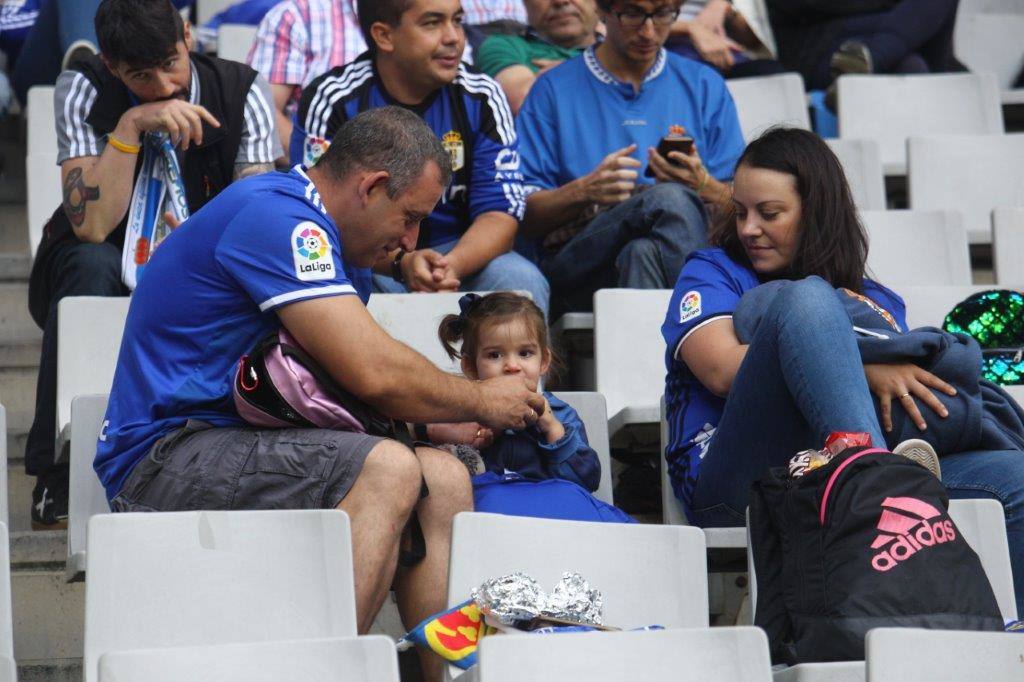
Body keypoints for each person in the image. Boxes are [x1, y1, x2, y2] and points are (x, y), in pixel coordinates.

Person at [95, 106, 546, 679]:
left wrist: (435, 420)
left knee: (446, 477)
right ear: (373, 186)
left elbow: (337, 393)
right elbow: (373, 373)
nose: (411, 241)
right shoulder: (277, 215)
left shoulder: (342, 246)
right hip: (163, 457)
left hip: (246, 441)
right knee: (389, 470)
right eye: (410, 218)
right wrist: (481, 399)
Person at [661, 127, 1024, 614]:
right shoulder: (713, 269)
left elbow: (905, 395)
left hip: (850, 469)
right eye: (740, 211)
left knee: (1016, 477)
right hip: (738, 484)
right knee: (804, 299)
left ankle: (1009, 637)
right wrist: (858, 360)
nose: (749, 228)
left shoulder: (872, 299)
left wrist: (847, 356)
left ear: (816, 213)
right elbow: (722, 370)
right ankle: (877, 487)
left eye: (769, 214)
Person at [24, 0, 279, 529]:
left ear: (188, 35)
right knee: (89, 263)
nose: (165, 86)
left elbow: (257, 218)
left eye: (171, 63)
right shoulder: (85, 86)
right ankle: (60, 467)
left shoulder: (241, 89)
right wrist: (131, 125)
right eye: (142, 76)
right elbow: (90, 223)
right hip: (103, 250)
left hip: (208, 259)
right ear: (113, 66)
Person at [294, 0, 550, 317]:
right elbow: (316, 210)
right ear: (384, 35)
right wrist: (402, 263)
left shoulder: (483, 95)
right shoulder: (334, 98)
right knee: (327, 271)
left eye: (457, 21)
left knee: (519, 278)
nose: (454, 37)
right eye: (432, 23)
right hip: (366, 258)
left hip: (459, 254)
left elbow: (500, 214)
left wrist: (450, 265)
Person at [515, 0, 744, 315]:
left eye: (663, 14)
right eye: (633, 14)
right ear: (603, 12)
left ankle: (675, 356)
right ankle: (710, 324)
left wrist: (702, 183)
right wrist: (583, 192)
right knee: (670, 198)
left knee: (641, 252)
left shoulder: (704, 84)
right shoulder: (553, 89)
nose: (649, 30)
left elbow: (744, 208)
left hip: (666, 254)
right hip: (580, 264)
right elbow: (522, 216)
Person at [426, 291, 633, 523]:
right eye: (494, 355)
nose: (512, 366)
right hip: (491, 519)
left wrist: (552, 428)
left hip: (555, 518)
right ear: (471, 367)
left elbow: (587, 482)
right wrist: (456, 434)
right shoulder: (461, 412)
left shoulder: (560, 414)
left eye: (525, 353)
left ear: (543, 361)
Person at [10, 0, 193, 105]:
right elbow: (6, 24)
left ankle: (92, 64)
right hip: (45, 67)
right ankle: (87, 64)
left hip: (133, 60)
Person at [246, 0, 365, 155]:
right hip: (314, 165)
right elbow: (261, 108)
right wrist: (324, 169)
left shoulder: (405, 14)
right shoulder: (295, 16)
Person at [766, 0, 963, 91]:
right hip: (822, 51)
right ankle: (875, 57)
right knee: (911, 66)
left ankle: (874, 57)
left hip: (899, 37)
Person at [475, 0, 600, 114]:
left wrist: (564, 74)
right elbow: (525, 103)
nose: (560, 2)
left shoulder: (616, 50)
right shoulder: (504, 46)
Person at [665, 0, 784, 79]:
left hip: (730, 52)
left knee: (776, 77)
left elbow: (751, 40)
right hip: (671, 50)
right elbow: (648, 18)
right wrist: (691, 28)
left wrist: (725, 8)